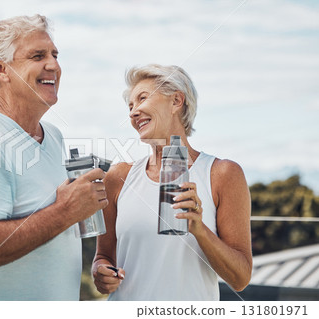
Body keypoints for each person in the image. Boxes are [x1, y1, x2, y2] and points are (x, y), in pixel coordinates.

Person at [0, 15, 107, 301]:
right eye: (37, 56)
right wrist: (66, 211)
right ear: (1, 69)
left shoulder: (52, 136)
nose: (53, 65)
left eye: (55, 55)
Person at [92, 64, 252, 300]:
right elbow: (102, 256)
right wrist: (101, 273)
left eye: (142, 99)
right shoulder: (118, 177)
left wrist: (199, 229)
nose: (133, 112)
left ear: (177, 101)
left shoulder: (222, 174)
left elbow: (240, 279)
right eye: (130, 106)